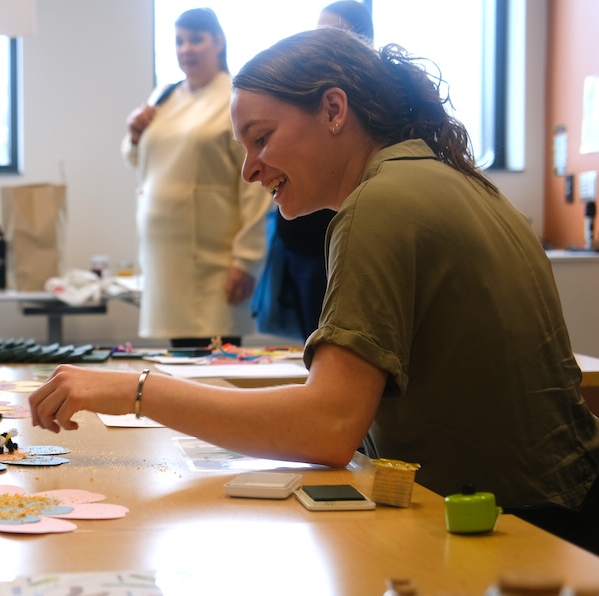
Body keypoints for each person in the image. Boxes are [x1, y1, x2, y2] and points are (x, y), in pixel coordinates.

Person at [32, 27, 599, 554]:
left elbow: (326, 427)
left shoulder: (378, 205)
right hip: (558, 507)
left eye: (262, 139)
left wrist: (137, 390)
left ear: (333, 109)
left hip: (511, 529)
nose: (250, 171)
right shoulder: (467, 186)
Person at [121, 7, 272, 349]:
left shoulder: (235, 97)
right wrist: (133, 134)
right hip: (167, 261)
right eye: (178, 41)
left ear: (218, 41)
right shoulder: (164, 96)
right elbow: (140, 161)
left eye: (196, 39)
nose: (185, 49)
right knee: (178, 364)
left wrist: (247, 260)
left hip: (213, 264)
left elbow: (256, 184)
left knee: (213, 370)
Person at [253, 0, 374, 341]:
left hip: (333, 243)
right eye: (319, 32)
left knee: (334, 341)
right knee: (309, 342)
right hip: (297, 243)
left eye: (334, 34)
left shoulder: (365, 108)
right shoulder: (305, 94)